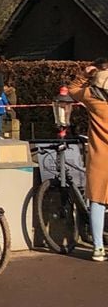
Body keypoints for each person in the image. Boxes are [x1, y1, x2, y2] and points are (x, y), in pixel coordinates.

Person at [67, 58, 108, 261]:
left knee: (97, 202)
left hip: (100, 158)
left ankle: (98, 248)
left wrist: (85, 74)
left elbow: (73, 89)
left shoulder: (92, 98)